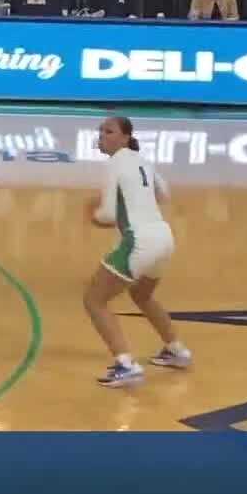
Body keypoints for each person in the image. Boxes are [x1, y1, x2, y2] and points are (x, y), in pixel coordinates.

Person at [83, 115, 190, 387]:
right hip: (163, 237)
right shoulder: (143, 161)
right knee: (142, 294)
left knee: (94, 300)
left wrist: (91, 214)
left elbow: (107, 214)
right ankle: (176, 350)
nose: (102, 135)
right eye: (100, 131)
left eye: (108, 131)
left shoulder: (115, 163)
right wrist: (138, 203)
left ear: (125, 137)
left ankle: (125, 364)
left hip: (139, 240)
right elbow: (164, 193)